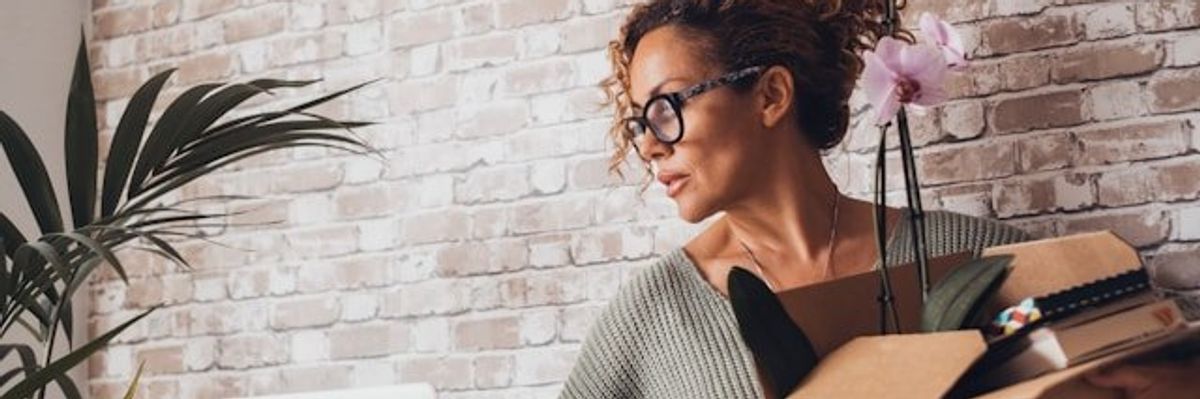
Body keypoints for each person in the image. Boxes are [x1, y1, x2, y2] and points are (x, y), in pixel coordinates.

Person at [559, 1, 1030, 398]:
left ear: (771, 95)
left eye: (666, 108)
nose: (648, 145)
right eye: (641, 122)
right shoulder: (651, 317)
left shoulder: (979, 257)